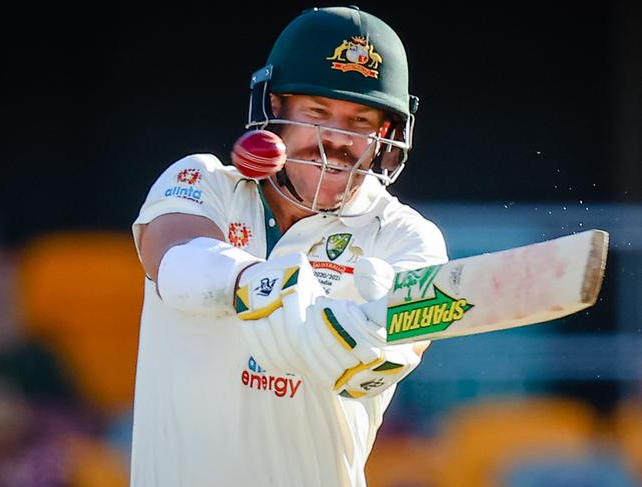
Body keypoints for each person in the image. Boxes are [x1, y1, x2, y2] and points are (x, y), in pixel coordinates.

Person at [130, 6, 447, 486]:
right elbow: (174, 263)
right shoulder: (206, 182)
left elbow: (395, 351)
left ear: (385, 135)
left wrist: (369, 341)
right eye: (318, 114)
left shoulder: (403, 237)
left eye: (360, 121)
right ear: (276, 108)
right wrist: (259, 283)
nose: (337, 141)